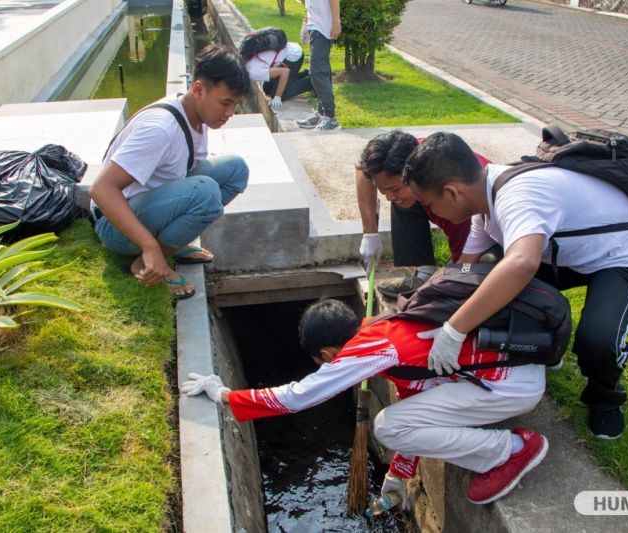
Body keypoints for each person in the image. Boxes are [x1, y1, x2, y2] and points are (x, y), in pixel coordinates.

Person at [402, 132, 628, 440]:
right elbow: (465, 268)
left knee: (597, 340)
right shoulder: (484, 201)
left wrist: (454, 329)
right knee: (486, 275)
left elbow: (522, 263)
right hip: (564, 254)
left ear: (451, 192)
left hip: (621, 258)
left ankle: (604, 398)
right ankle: (548, 344)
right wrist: (424, 302)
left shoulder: (518, 196)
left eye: (429, 204)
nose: (432, 213)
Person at [181, 298, 548, 506]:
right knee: (398, 421)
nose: (330, 367)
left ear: (328, 352)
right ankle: (505, 447)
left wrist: (226, 395)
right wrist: (399, 473)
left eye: (325, 362)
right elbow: (417, 405)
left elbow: (299, 396)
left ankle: (512, 450)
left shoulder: (368, 349)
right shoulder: (381, 328)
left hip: (508, 386)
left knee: (386, 426)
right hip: (516, 369)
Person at [90, 44, 250, 300]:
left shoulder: (196, 114)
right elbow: (101, 189)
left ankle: (170, 246)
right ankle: (147, 260)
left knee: (236, 170)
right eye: (225, 103)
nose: (230, 113)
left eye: (235, 104)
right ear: (198, 89)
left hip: (149, 204)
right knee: (206, 193)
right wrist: (149, 246)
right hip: (114, 226)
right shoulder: (161, 129)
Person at [355, 131, 492, 299]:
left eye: (394, 189)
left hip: (489, 243)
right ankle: (424, 273)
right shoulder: (409, 152)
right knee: (403, 199)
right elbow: (363, 169)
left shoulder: (462, 208)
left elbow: (466, 263)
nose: (389, 198)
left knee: (469, 273)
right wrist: (370, 233)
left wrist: (446, 280)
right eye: (383, 191)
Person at [296, 0, 341, 131]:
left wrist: (336, 23)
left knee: (317, 72)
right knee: (322, 69)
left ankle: (330, 118)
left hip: (322, 28)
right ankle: (322, 113)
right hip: (315, 25)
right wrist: (306, 21)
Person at [241, 39, 313, 112]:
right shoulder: (248, 67)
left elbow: (285, 72)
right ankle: (304, 74)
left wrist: (277, 97)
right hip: (287, 52)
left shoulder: (253, 73)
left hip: (294, 56)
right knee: (267, 88)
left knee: (278, 94)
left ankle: (310, 82)